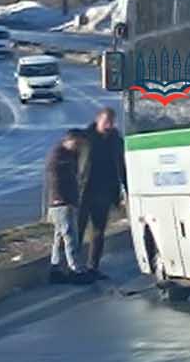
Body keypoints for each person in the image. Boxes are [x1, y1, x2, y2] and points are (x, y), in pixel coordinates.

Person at [77, 106, 127, 274]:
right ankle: (73, 266)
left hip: (105, 191)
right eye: (106, 122)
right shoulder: (85, 138)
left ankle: (93, 267)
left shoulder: (116, 141)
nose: (108, 126)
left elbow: (122, 165)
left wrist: (125, 189)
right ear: (98, 120)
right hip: (85, 190)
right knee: (78, 229)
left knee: (98, 231)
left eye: (111, 122)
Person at [44, 128, 87, 283]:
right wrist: (62, 199)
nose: (79, 147)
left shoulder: (69, 155)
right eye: (77, 143)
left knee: (60, 237)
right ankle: (75, 270)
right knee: (70, 237)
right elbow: (56, 180)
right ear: (69, 140)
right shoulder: (59, 156)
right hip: (61, 203)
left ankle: (55, 269)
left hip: (66, 202)